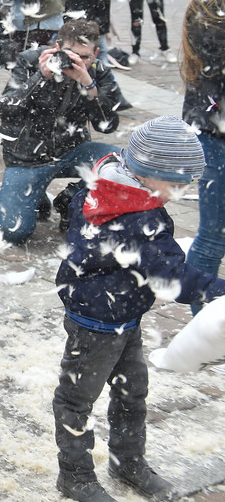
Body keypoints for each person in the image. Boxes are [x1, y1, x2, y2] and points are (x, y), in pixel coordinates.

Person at [53, 116, 225, 502]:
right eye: (177, 183)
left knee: (132, 390)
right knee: (76, 399)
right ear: (147, 173)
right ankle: (75, 476)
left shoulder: (109, 183)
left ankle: (127, 461)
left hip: (120, 311)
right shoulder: (139, 216)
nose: (179, 193)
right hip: (96, 322)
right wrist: (219, 290)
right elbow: (173, 279)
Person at [0, 19, 122, 245]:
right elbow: (4, 109)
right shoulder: (31, 61)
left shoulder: (98, 73)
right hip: (28, 158)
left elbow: (106, 125)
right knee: (15, 233)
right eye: (71, 55)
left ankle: (71, 200)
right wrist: (40, 77)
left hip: (71, 151)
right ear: (58, 48)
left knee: (118, 163)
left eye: (86, 57)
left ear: (96, 53)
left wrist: (89, 86)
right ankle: (37, 195)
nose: (77, 62)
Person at [182, 0, 225, 283]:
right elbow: (213, 72)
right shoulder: (211, 5)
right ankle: (202, 321)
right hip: (216, 131)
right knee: (214, 235)